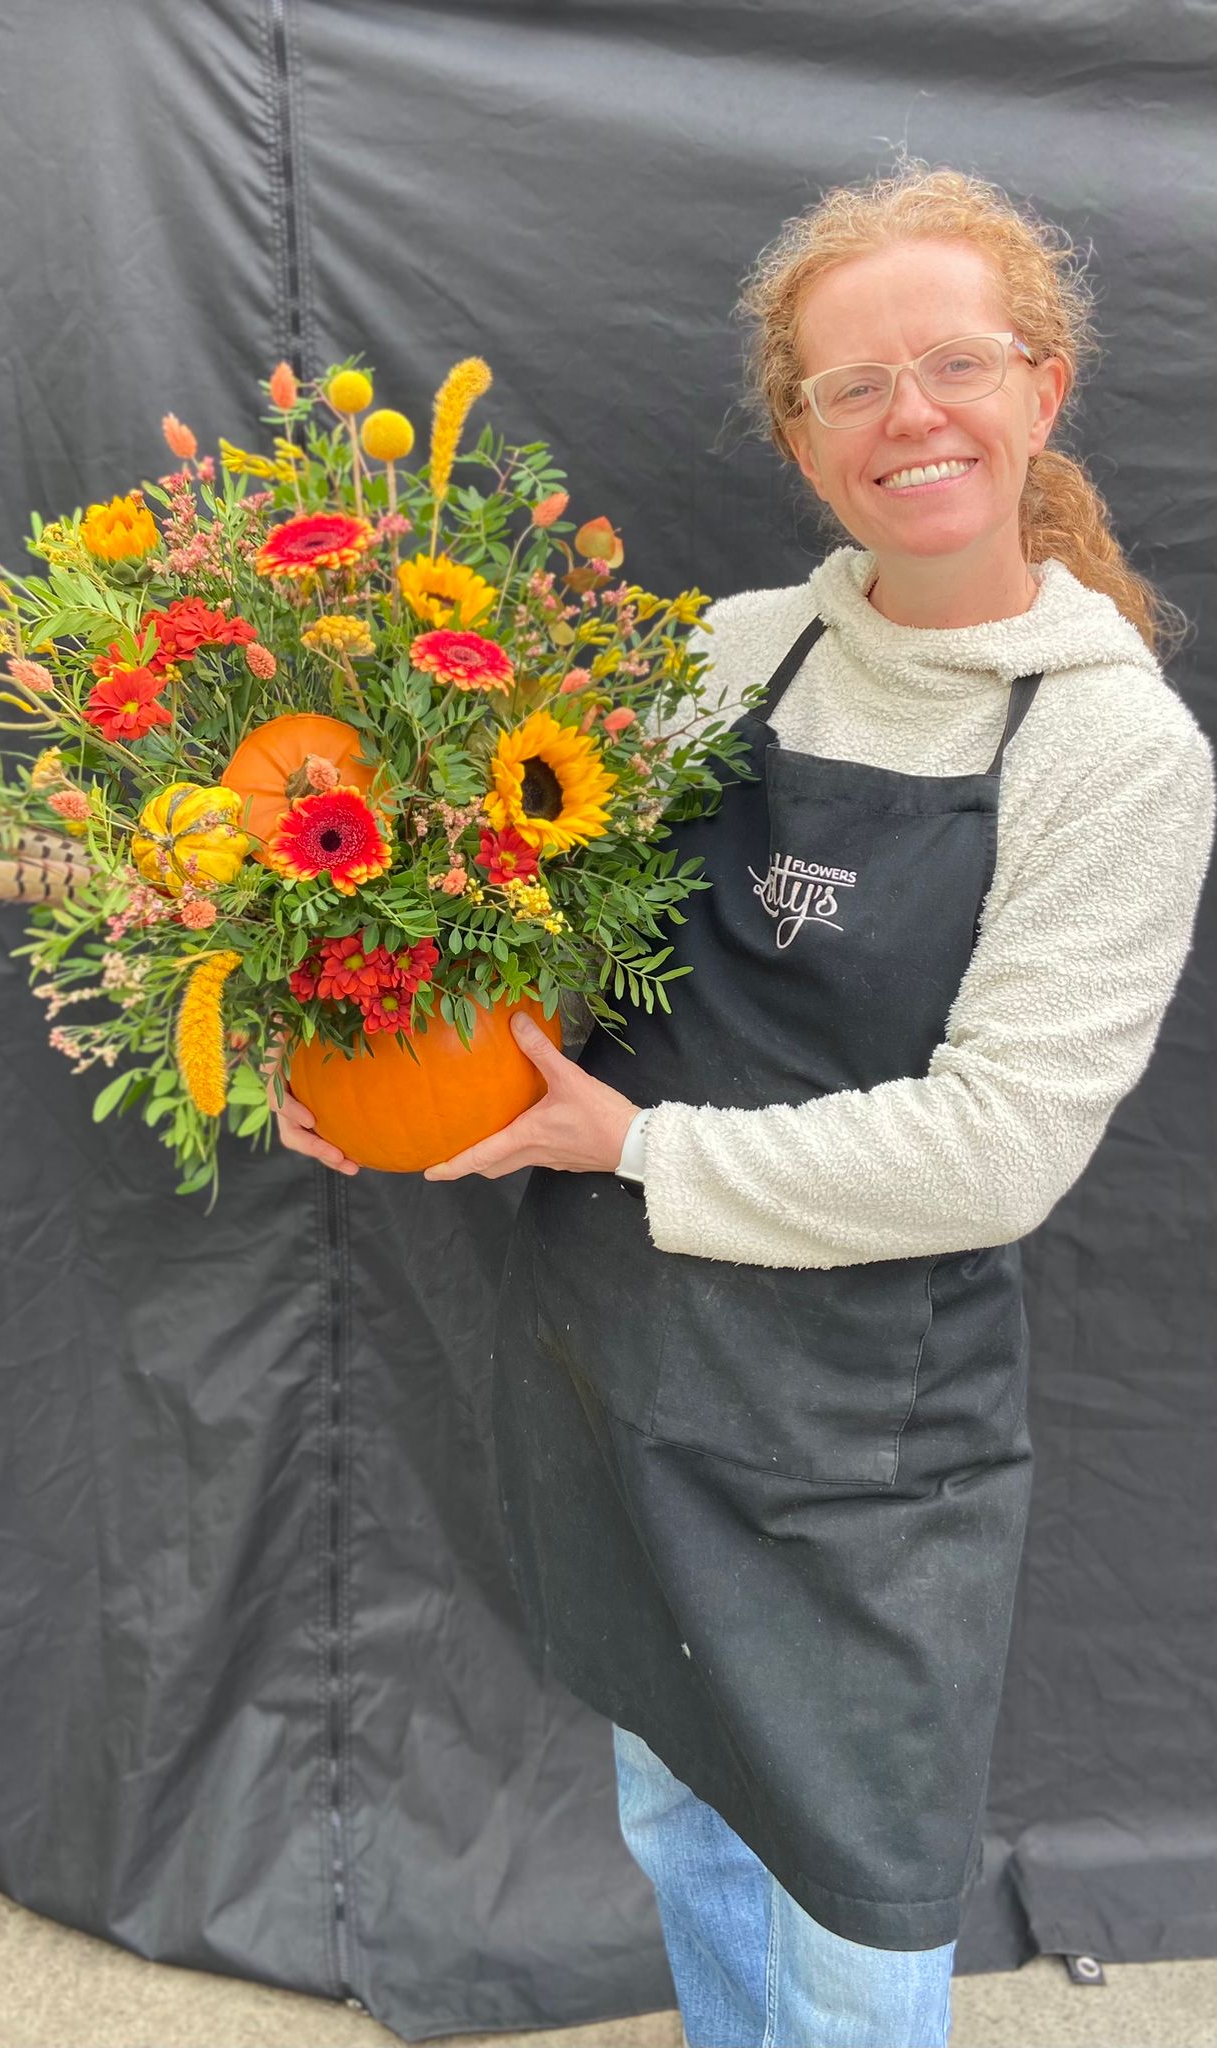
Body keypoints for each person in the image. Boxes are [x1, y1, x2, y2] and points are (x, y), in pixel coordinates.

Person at [273, 165, 1215, 2048]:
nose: (908, 419)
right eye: (851, 385)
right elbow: (569, 946)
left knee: (855, 1906)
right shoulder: (728, 656)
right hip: (622, 1360)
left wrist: (626, 1147)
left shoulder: (1109, 745)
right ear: (798, 429)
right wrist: (385, 1050)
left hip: (861, 1438)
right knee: (678, 1808)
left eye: (951, 365)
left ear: (1040, 385)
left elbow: (1002, 1147)